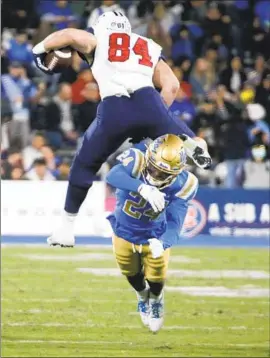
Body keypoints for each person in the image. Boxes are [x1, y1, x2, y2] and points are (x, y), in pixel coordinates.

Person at [32, 11, 211, 247]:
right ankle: (195, 145)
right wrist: (155, 118)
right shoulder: (146, 44)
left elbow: (67, 35)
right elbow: (172, 85)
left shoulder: (98, 39)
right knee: (184, 136)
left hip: (115, 106)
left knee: (85, 163)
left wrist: (38, 49)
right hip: (149, 102)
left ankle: (66, 228)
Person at [105, 134, 198, 333]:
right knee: (130, 273)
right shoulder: (137, 160)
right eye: (154, 168)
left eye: (162, 173)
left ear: (175, 173)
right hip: (124, 231)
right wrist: (141, 187)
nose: (155, 175)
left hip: (155, 235)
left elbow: (175, 223)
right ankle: (141, 296)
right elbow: (112, 175)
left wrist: (163, 243)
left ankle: (156, 300)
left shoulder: (184, 184)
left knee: (156, 278)